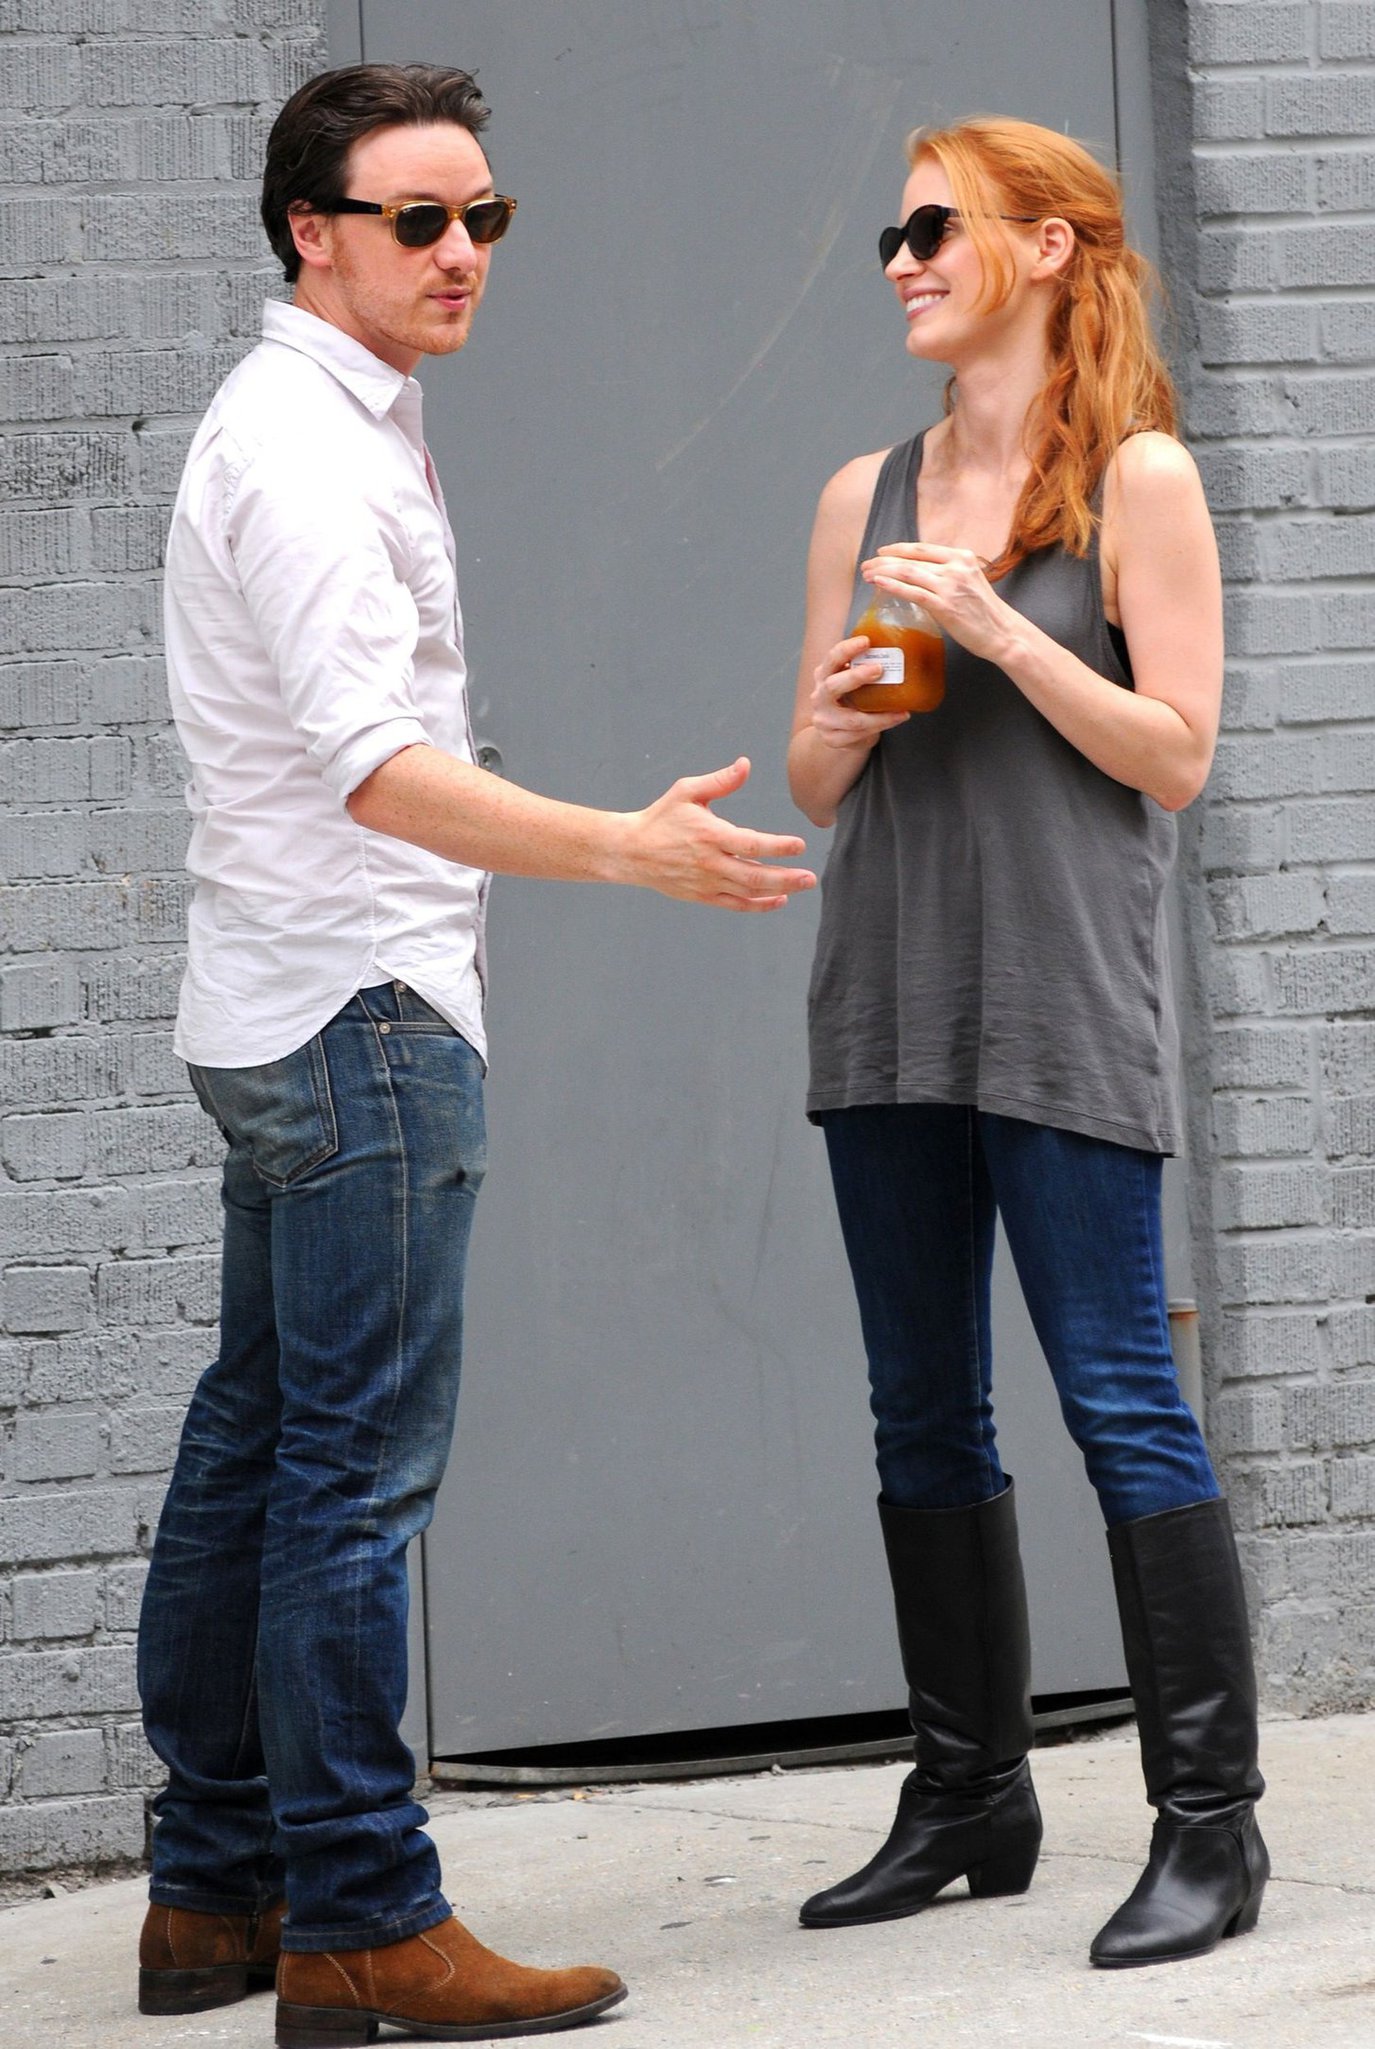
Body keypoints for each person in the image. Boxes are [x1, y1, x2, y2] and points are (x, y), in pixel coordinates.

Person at [135, 61, 815, 2044]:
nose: (459, 255)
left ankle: (215, 1885)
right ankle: (359, 1916)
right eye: (418, 219)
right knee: (350, 1474)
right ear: (310, 230)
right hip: (361, 1013)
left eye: (484, 220)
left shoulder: (333, 423)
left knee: (261, 1438)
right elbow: (374, 769)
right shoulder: (306, 450)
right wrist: (629, 846)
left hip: (291, 1002)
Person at [787, 116, 1265, 1969]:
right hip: (888, 994)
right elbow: (829, 775)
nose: (902, 257)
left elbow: (1179, 754)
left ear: (1051, 247)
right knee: (923, 1410)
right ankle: (969, 1790)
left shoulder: (1139, 477)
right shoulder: (865, 492)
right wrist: (849, 701)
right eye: (893, 232)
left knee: (1121, 1402)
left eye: (937, 226)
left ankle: (1212, 1832)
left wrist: (998, 624)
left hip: (1062, 995)